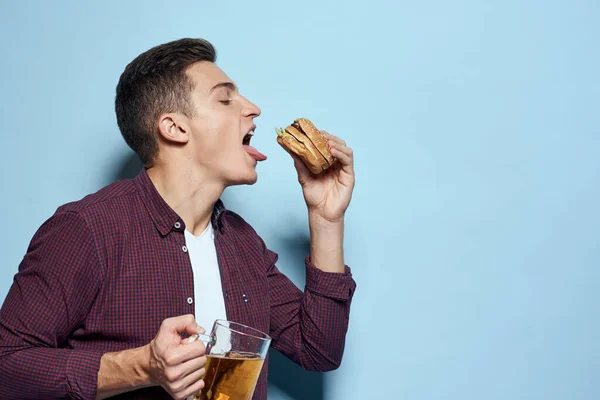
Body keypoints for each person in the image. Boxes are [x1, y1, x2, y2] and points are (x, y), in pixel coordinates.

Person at [0, 38, 356, 400]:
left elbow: (318, 350)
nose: (253, 108)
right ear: (174, 128)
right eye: (225, 98)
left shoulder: (242, 242)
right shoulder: (87, 229)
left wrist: (326, 219)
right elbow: (6, 365)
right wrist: (141, 367)